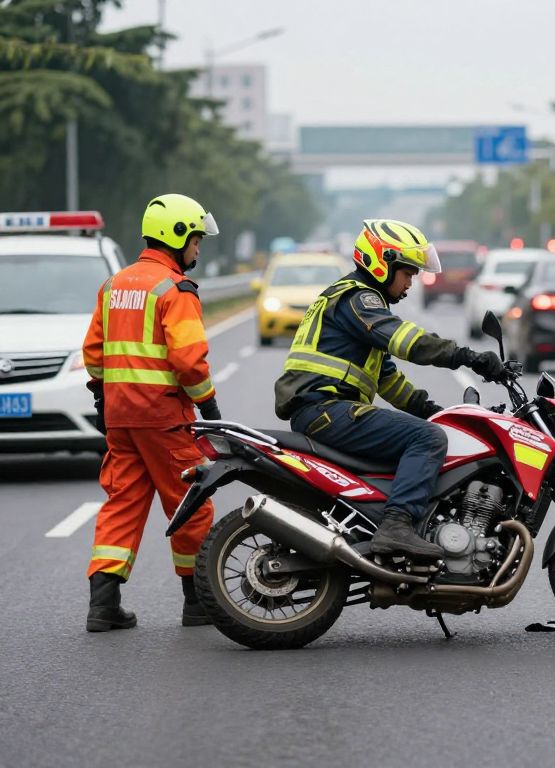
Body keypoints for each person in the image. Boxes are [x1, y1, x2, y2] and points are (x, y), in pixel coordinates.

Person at [274, 219, 504, 559]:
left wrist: (435, 412)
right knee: (427, 439)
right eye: (408, 273)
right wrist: (467, 357)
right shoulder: (358, 298)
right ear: (383, 263)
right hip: (326, 409)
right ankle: (396, 527)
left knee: (429, 429)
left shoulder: (358, 306)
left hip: (327, 410)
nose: (411, 282)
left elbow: (389, 381)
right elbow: (405, 340)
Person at [81, 193, 222, 632]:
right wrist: (210, 408)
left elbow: (93, 354)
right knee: (190, 504)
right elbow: (189, 362)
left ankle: (103, 605)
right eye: (196, 240)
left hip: (121, 418)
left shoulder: (114, 284)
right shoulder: (175, 290)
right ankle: (197, 602)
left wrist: (106, 401)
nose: (198, 248)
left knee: (122, 503)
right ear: (176, 236)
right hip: (164, 417)